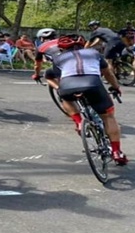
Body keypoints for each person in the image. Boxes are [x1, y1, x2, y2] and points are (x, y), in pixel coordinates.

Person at [53, 34, 127, 165]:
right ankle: (117, 152)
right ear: (83, 45)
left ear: (61, 48)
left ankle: (78, 121)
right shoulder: (93, 53)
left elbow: (60, 80)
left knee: (65, 98)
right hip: (93, 84)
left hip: (68, 86)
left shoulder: (58, 59)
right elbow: (108, 73)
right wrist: (116, 87)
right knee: (108, 116)